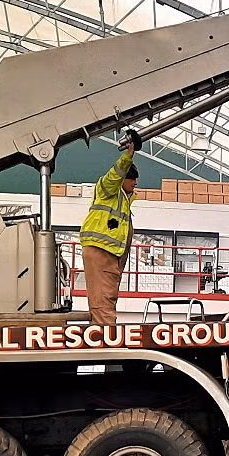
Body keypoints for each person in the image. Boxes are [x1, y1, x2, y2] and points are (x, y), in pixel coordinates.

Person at [79, 134, 140, 325]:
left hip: (109, 255)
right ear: (123, 179)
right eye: (132, 179)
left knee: (106, 299)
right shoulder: (108, 190)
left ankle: (103, 334)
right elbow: (114, 175)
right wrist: (128, 156)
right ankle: (104, 339)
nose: (135, 183)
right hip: (102, 252)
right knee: (103, 301)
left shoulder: (122, 201)